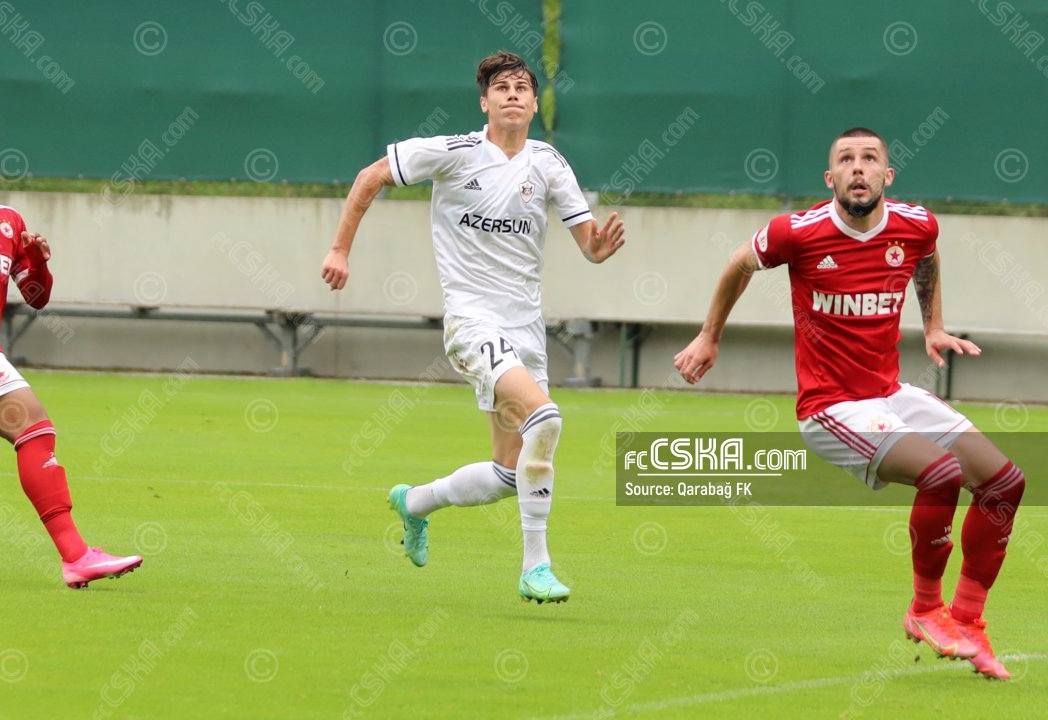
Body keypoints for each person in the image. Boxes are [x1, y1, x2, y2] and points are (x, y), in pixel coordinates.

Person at [674, 128, 1023, 679]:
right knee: (942, 474)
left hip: (888, 392)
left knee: (1006, 484)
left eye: (869, 160)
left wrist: (932, 327)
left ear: (888, 176)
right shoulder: (797, 232)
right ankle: (925, 610)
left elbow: (926, 257)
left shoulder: (916, 224)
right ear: (829, 178)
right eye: (845, 160)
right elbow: (739, 264)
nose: (857, 168)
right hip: (830, 408)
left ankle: (970, 623)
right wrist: (709, 336)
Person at [322, 51, 624, 603]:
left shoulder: (549, 163)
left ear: (534, 104)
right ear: (484, 102)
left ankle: (413, 503)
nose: (513, 94)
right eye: (501, 87)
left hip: (527, 330)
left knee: (509, 474)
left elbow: (587, 241)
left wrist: (598, 250)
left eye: (522, 87)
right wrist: (340, 249)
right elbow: (371, 176)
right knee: (547, 420)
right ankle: (537, 567)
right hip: (472, 322)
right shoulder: (454, 152)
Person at [0, 140, 143, 588]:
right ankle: (76, 556)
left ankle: (77, 556)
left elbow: (37, 298)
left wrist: (36, 262)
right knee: (34, 428)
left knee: (34, 430)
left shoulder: (7, 220)